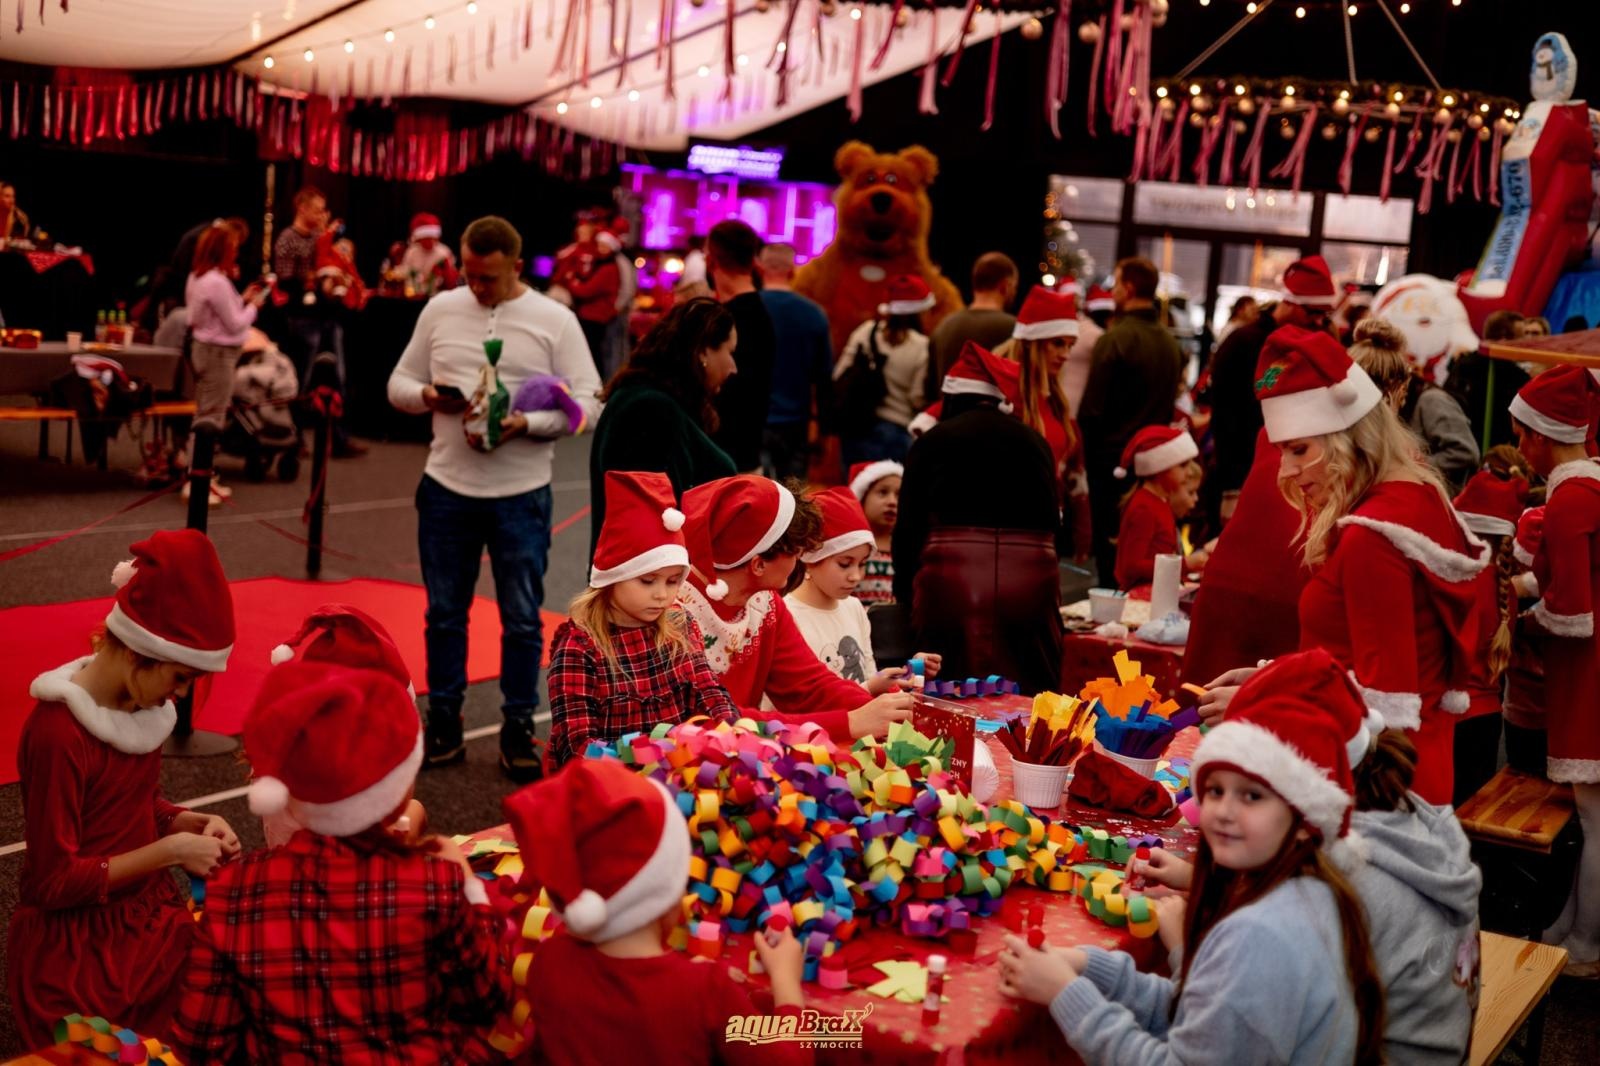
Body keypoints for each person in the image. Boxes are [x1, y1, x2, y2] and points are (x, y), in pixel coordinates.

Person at [999, 649, 1384, 1065]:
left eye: (1251, 795)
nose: (1223, 811)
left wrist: (1066, 994)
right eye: (1215, 790)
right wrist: (1088, 966)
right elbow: (1202, 1015)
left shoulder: (1260, 934)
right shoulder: (1305, 891)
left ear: (1306, 817)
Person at [170, 614, 512, 1062]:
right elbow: (488, 1001)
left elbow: (200, 1043)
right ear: (399, 784)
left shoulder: (233, 895)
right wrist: (470, 890)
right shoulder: (434, 885)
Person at [1130, 673, 1479, 1065]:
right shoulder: (1401, 822)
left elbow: (1237, 1028)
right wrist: (1196, 879)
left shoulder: (1342, 879)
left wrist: (1181, 950)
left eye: (1252, 791)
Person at [1210, 326, 1489, 805]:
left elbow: (1384, 708)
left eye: (1300, 449)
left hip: (1374, 793)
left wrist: (1265, 701)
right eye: (1283, 451)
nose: (1287, 472)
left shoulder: (1372, 537)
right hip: (1414, 774)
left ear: (1349, 437)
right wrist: (1272, 676)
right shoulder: (1418, 500)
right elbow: (1362, 661)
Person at [388, 215, 602, 782]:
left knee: (523, 620)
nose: (476, 287)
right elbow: (397, 385)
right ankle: (445, 723)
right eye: (469, 275)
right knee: (444, 615)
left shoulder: (555, 319)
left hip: (521, 494)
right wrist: (430, 395)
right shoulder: (441, 308)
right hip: (446, 490)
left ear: (516, 263)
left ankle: (515, 728)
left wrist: (527, 422)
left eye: (488, 277)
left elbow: (591, 402)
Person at [9, 531, 239, 1047]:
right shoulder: (58, 733)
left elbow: (133, 809)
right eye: (178, 679)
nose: (178, 696)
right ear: (138, 654)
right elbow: (50, 882)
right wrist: (171, 851)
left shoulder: (144, 706)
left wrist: (183, 821)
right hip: (78, 949)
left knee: (229, 997)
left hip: (145, 920)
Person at [508, 759, 810, 1065]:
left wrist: (684, 974)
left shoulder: (549, 963)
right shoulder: (705, 992)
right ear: (662, 893)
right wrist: (786, 982)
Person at [677, 475, 914, 740]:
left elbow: (809, 685)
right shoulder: (675, 611)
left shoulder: (765, 603)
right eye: (795, 552)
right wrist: (848, 723)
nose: (800, 560)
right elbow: (710, 718)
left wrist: (884, 710)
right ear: (758, 565)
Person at [895, 342, 1062, 692]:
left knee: (951, 689)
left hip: (953, 577)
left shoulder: (931, 442)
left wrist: (906, 597)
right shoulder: (1035, 441)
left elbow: (908, 529)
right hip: (1032, 575)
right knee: (1030, 689)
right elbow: (1055, 524)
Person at [1507, 366, 1600, 977]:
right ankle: (1574, 928)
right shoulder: (1587, 489)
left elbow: (1572, 612)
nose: (1518, 450)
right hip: (1589, 672)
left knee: (1596, 817)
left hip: (1588, 674)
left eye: (1520, 436)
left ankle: (1587, 944)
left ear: (1541, 436)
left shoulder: (1569, 498)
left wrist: (1522, 620)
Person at [547, 471, 738, 767]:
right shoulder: (580, 648)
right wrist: (651, 761)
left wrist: (730, 729)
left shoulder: (679, 625)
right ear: (614, 577)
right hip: (612, 788)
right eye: (648, 581)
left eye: (673, 581)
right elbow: (577, 744)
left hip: (680, 778)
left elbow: (707, 691)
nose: (662, 595)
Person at [588, 298, 738, 558]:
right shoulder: (650, 408)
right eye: (730, 351)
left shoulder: (652, 400)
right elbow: (660, 516)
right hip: (653, 582)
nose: (733, 367)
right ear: (703, 351)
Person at [1206, 257, 1343, 521]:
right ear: (1290, 302)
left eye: (1323, 315)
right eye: (1311, 313)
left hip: (1287, 475)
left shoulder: (1308, 342)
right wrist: (1231, 487)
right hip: (1244, 473)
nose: (1317, 322)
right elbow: (1226, 419)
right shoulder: (1244, 343)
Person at [1080, 257, 1184, 582]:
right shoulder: (1170, 343)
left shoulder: (1114, 339)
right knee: (1146, 548)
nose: (1112, 293)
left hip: (1111, 463)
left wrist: (1087, 458)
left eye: (1116, 285)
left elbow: (1091, 410)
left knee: (1111, 553)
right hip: (1154, 466)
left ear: (1128, 288)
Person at [785, 486, 941, 688]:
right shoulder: (788, 616)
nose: (856, 576)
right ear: (809, 557)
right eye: (844, 564)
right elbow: (801, 698)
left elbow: (869, 677)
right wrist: (871, 688)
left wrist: (909, 673)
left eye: (862, 563)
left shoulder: (854, 608)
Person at [1450, 470, 1530, 804]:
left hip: (1454, 717)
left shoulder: (1458, 584)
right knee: (1473, 811)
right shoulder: (1505, 587)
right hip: (1487, 717)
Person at [273, 186, 364, 457]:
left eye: (324, 209)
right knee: (302, 380)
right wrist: (315, 277)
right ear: (301, 208)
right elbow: (285, 279)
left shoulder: (322, 238)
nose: (321, 213)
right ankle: (295, 437)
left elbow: (339, 258)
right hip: (303, 319)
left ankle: (338, 438)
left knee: (338, 380)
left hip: (329, 317)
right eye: (316, 208)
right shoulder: (287, 239)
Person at [184, 222, 269, 506]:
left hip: (205, 349)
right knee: (210, 418)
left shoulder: (198, 277)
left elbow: (207, 315)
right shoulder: (217, 282)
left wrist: (241, 299)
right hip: (219, 353)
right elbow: (235, 324)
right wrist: (253, 307)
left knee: (205, 413)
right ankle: (196, 480)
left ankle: (201, 476)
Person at [1351, 317, 1479, 489]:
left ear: (1394, 384)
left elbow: (1465, 453)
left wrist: (1410, 465)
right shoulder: (1372, 411)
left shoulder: (1432, 401)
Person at [835, 274, 932, 469]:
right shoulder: (922, 346)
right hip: (896, 435)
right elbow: (917, 397)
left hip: (855, 428)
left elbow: (839, 374)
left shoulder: (866, 332)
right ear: (919, 311)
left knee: (853, 494)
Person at [757, 242, 834, 481]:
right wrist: (823, 429)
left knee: (756, 495)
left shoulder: (746, 308)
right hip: (796, 423)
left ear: (760, 269)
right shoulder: (813, 314)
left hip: (752, 421)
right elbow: (823, 377)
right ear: (792, 272)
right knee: (794, 501)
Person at [707, 219, 777, 473]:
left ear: (711, 260)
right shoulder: (763, 314)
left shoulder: (724, 320)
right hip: (746, 453)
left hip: (723, 461)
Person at [1112, 427, 1209, 591]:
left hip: (1157, 591)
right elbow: (1131, 566)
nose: (1187, 473)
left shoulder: (1160, 502)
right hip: (1141, 595)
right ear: (1161, 467)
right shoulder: (1144, 507)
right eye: (1182, 466)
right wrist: (1185, 564)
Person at [926, 251, 1019, 404]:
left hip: (943, 423)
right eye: (1014, 286)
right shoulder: (1016, 330)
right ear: (1005, 286)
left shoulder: (943, 327)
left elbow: (928, 389)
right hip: (994, 425)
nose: (1014, 292)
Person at [1445, 308, 1529, 453]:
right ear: (1504, 340)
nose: (1527, 344)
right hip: (1483, 455)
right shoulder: (1517, 377)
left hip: (1464, 448)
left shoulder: (1462, 364)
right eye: (1521, 338)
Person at [553, 209, 621, 372]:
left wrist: (571, 280)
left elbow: (585, 290)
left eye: (604, 245)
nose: (600, 248)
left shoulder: (608, 268)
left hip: (594, 317)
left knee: (592, 354)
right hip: (588, 314)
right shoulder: (593, 260)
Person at [849, 459, 901, 606]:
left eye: (899, 495)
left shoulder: (906, 547)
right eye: (883, 492)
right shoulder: (851, 545)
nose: (892, 501)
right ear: (862, 498)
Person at [397, 212, 459, 297]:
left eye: (432, 238)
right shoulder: (412, 252)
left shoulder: (444, 252)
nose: (430, 241)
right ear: (419, 238)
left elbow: (451, 279)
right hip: (413, 295)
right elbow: (404, 272)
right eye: (426, 238)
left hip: (437, 295)